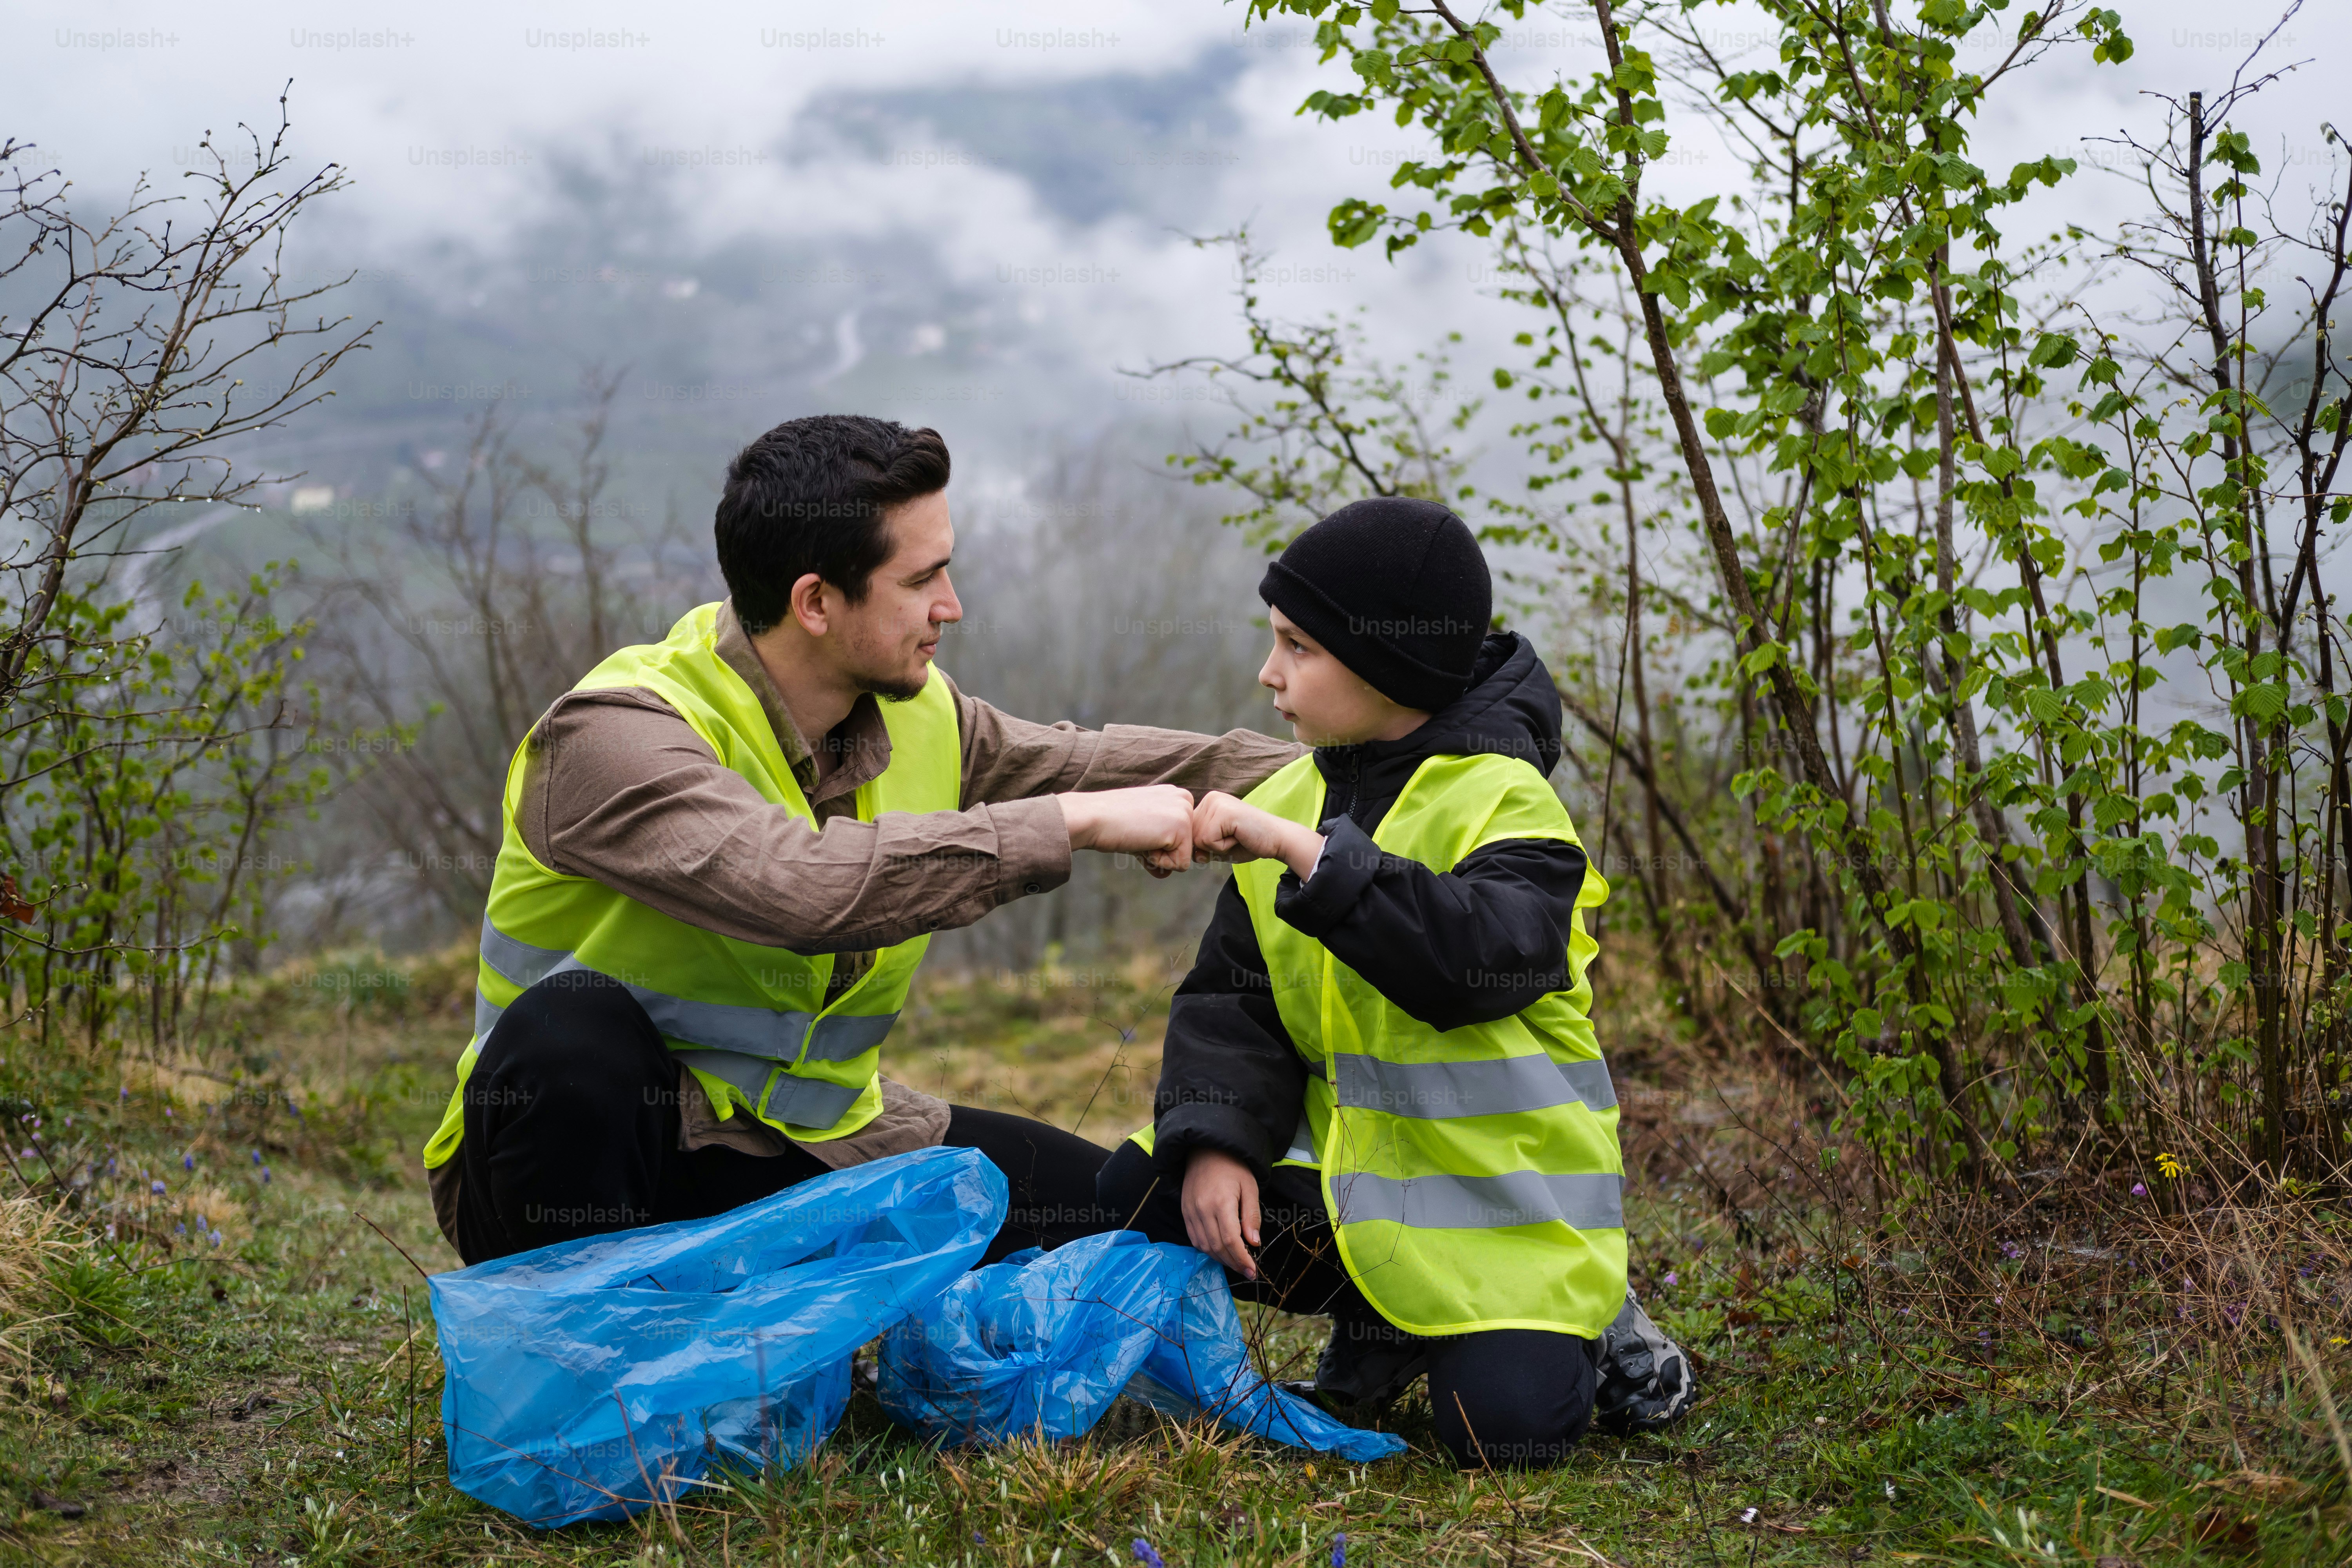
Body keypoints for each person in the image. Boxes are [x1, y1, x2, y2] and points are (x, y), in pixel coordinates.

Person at [422, 415, 1302, 1267]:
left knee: (1124, 1214)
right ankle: (585, 1360)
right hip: (602, 1165)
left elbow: (1105, 760)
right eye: (923, 580)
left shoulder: (921, 714)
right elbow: (794, 886)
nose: (951, 607)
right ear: (815, 601)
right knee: (572, 1031)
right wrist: (1073, 824)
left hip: (804, 1150)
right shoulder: (612, 734)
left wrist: (1369, 763)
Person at [1097, 495, 1625, 1469]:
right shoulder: (1288, 796)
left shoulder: (1510, 801)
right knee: (1139, 1185)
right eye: (1274, 641)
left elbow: (1473, 961)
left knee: (1504, 1435)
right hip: (1359, 1198)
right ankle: (1383, 1327)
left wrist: (1306, 855)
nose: (1269, 674)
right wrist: (1216, 1143)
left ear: (1391, 665)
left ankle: (1602, 1331)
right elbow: (1232, 1004)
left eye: (1300, 646)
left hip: (1512, 1221)